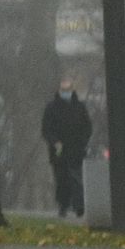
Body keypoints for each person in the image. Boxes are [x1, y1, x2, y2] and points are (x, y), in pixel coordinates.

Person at [38, 79, 95, 220]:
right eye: (63, 90)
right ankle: (63, 205)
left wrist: (82, 142)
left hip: (76, 149)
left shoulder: (79, 107)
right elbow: (46, 129)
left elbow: (87, 127)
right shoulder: (51, 108)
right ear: (59, 91)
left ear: (72, 90)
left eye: (68, 90)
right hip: (58, 150)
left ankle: (79, 206)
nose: (66, 93)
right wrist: (55, 142)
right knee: (61, 179)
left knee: (76, 178)